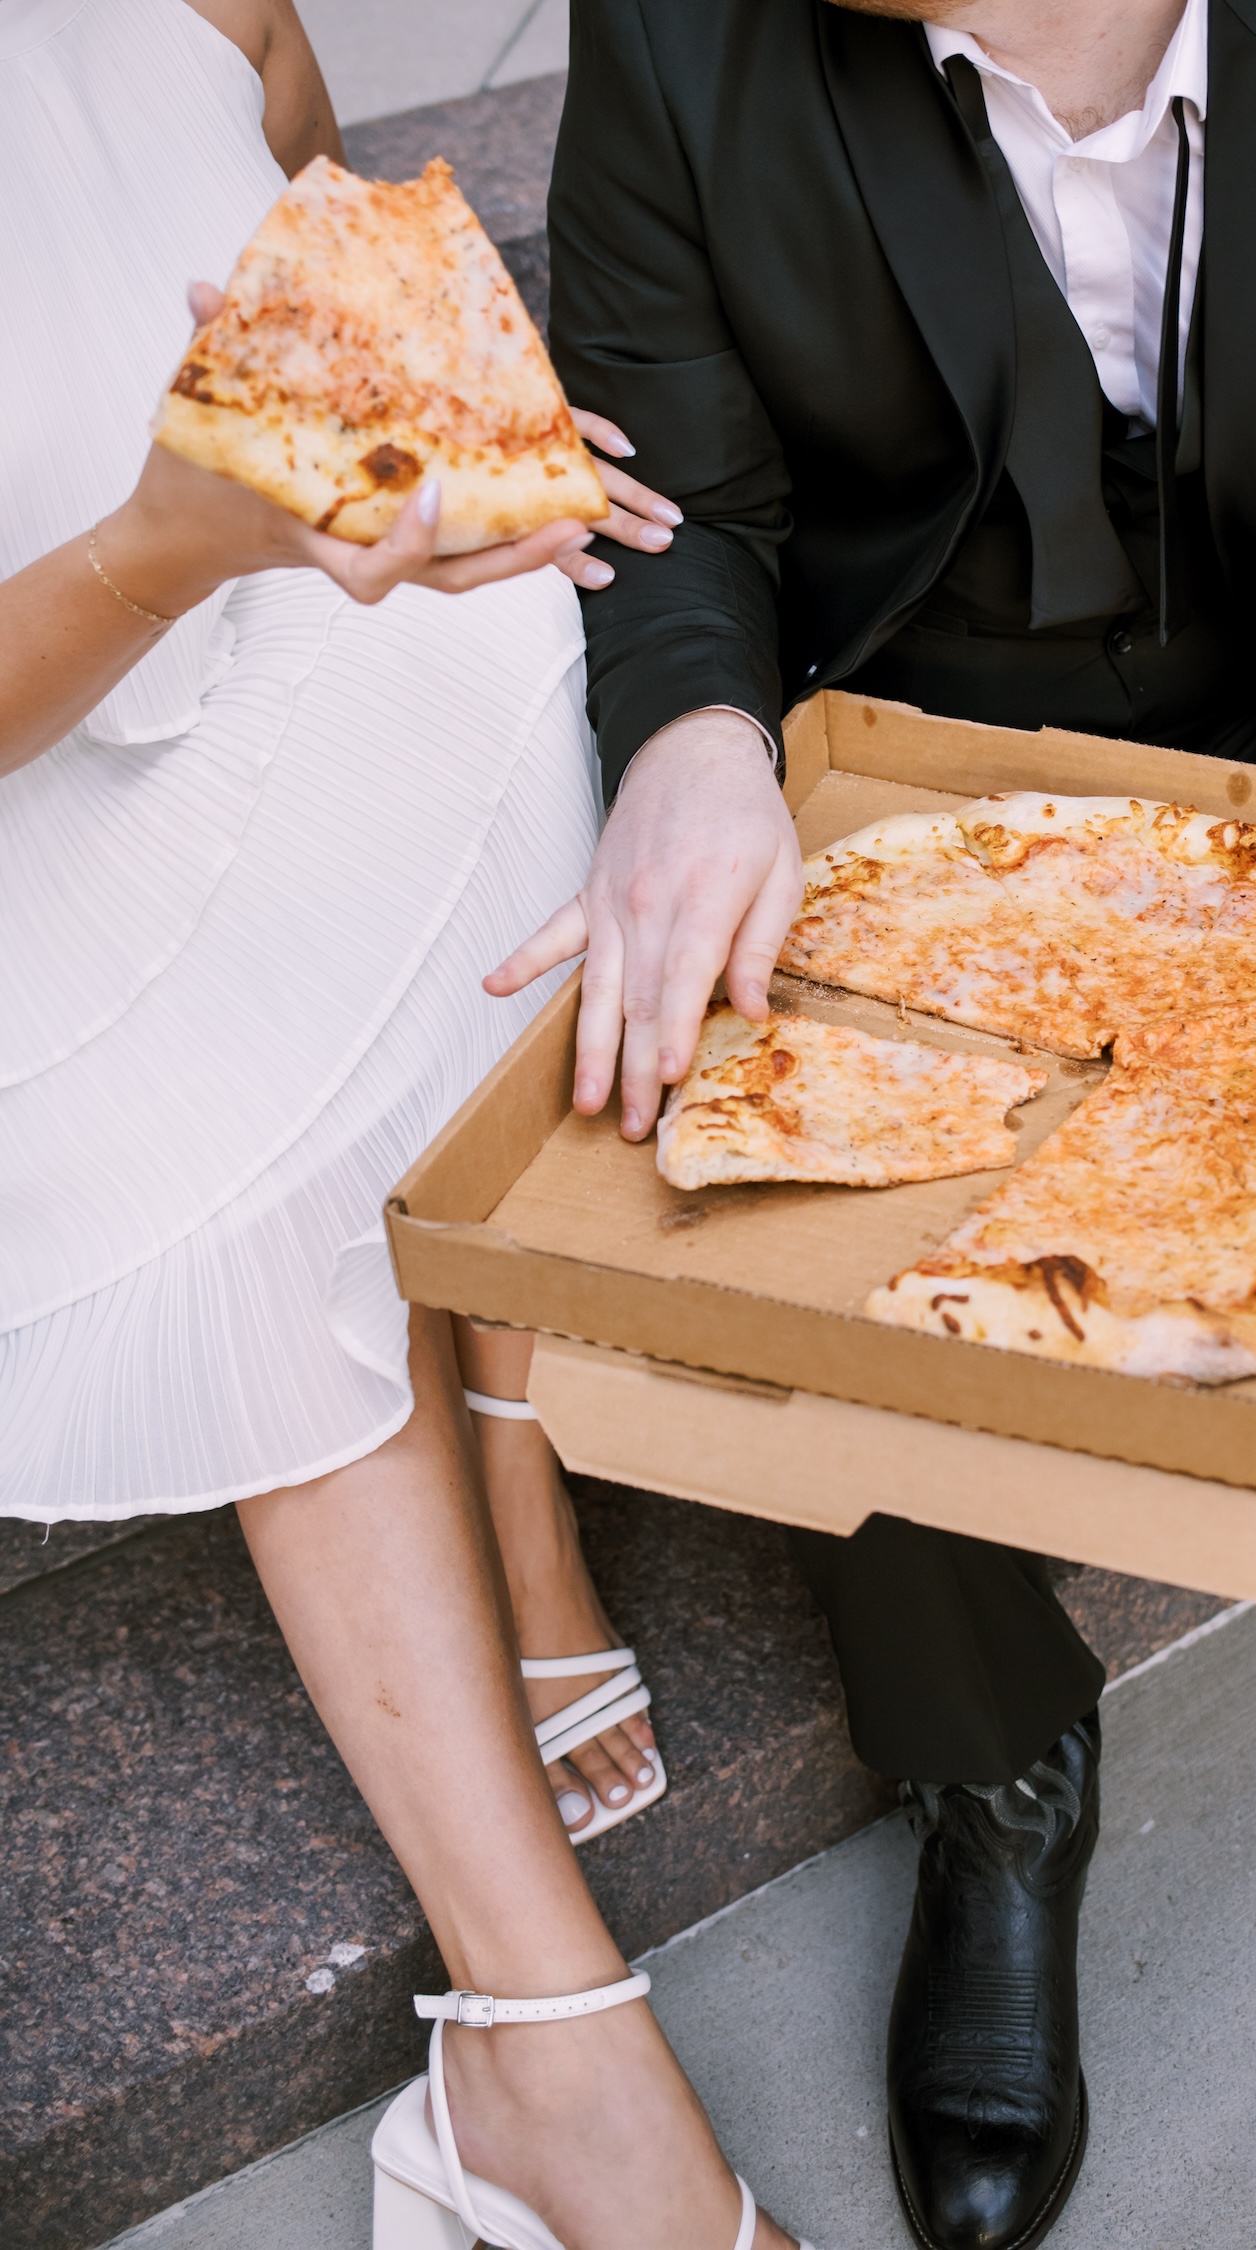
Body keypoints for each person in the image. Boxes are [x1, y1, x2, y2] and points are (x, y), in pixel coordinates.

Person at [496, 0, 1256, 2242]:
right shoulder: (678, 37)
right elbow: (672, 501)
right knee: (731, 1134)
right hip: (904, 742)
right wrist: (688, 730)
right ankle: (995, 1764)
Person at [0, 1, 813, 2243]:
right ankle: (547, 2056)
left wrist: (423, 437)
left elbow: (298, 172)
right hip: (46, 730)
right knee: (238, 1127)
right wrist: (179, 548)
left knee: (541, 726)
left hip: (278, 579)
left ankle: (530, 1519)